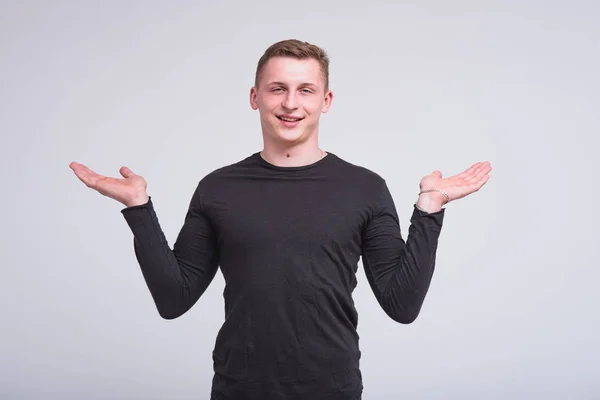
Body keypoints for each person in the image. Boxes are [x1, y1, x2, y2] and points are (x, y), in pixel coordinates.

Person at [70, 39, 492, 400]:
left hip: (333, 389)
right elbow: (173, 298)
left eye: (306, 90)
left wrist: (430, 208)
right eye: (278, 89)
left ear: (325, 101)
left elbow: (402, 305)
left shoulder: (365, 188)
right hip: (238, 389)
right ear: (255, 97)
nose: (291, 103)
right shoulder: (218, 188)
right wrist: (139, 208)